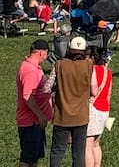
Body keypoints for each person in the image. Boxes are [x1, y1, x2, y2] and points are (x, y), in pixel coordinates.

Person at [48, 34, 96, 167]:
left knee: (57, 151)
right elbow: (94, 90)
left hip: (61, 116)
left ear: (69, 49)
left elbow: (47, 88)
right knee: (79, 153)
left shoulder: (59, 65)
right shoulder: (88, 66)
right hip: (81, 116)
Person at [17, 38, 52, 167]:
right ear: (42, 53)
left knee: (33, 158)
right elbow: (28, 96)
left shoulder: (32, 67)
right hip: (31, 121)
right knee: (27, 159)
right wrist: (40, 115)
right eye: (47, 53)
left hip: (34, 121)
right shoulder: (30, 70)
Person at [85, 49, 112, 167]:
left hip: (92, 109)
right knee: (96, 144)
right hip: (104, 109)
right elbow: (109, 94)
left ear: (92, 58)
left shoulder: (90, 71)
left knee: (87, 145)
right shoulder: (107, 71)